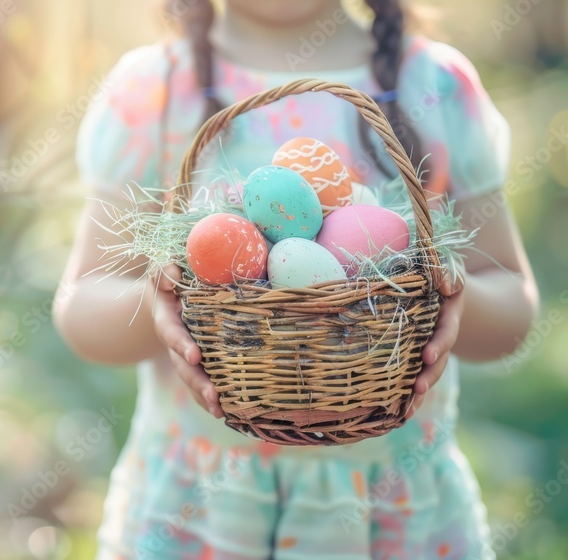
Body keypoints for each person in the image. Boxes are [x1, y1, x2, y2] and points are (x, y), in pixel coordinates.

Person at [54, 0, 539, 557]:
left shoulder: (436, 84)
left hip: (392, 508)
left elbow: (511, 303)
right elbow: (82, 305)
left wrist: (449, 292)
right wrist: (160, 301)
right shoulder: (153, 90)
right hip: (201, 512)